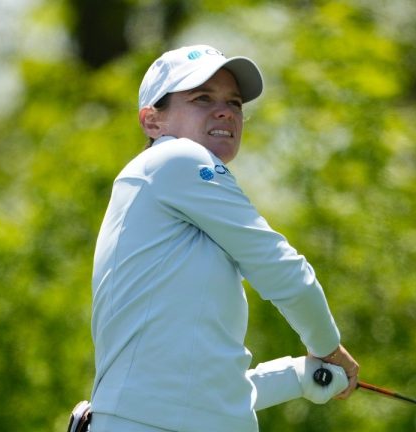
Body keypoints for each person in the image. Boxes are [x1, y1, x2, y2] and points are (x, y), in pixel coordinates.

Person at [88, 44, 359, 432]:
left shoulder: (171, 201)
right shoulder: (176, 158)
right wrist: (328, 347)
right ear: (152, 122)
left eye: (234, 102)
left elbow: (199, 394)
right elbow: (280, 267)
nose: (226, 111)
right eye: (202, 98)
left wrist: (298, 377)